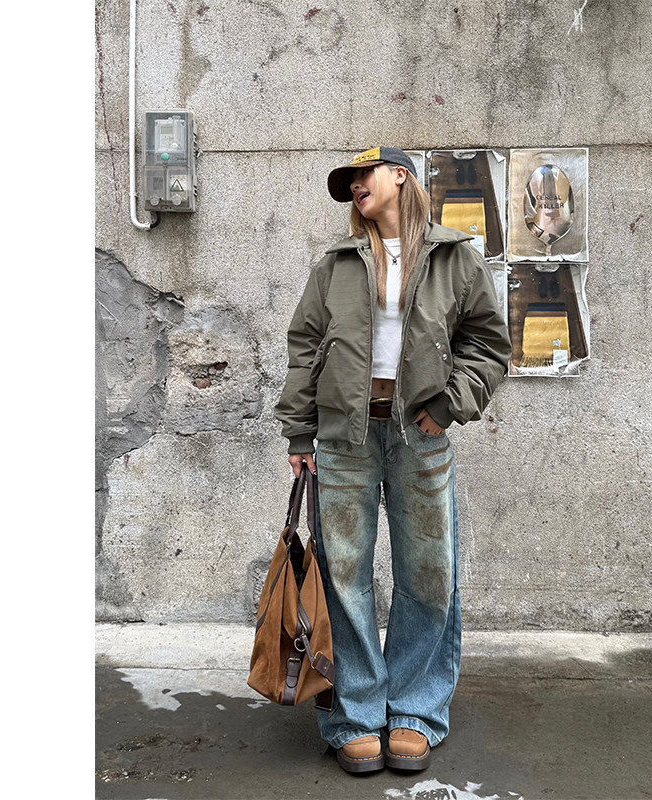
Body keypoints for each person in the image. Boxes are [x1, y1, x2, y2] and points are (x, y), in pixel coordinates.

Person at [274, 147, 511, 774]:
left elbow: (488, 345)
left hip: (418, 435)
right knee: (343, 576)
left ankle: (414, 711)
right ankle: (355, 715)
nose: (356, 186)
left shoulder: (454, 258)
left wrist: (448, 405)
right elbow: (305, 348)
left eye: (365, 175)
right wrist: (299, 433)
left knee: (428, 574)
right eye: (349, 181)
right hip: (344, 437)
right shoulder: (336, 264)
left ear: (400, 176)